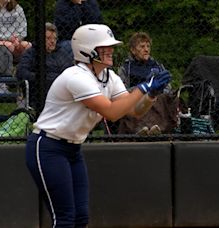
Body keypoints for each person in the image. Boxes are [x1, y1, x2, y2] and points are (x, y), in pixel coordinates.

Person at [25, 24, 171, 227]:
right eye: (104, 47)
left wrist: (151, 95)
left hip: (72, 148)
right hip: (48, 147)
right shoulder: (76, 76)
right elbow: (111, 113)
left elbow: (134, 110)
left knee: (81, 217)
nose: (111, 50)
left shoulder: (109, 77)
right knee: (65, 218)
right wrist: (143, 87)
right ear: (87, 50)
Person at [117, 32, 177, 135]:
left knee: (162, 96)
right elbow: (122, 90)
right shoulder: (126, 67)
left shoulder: (157, 66)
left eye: (148, 46)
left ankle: (156, 129)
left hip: (157, 97)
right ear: (133, 50)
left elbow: (168, 87)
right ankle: (140, 129)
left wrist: (155, 90)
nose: (146, 49)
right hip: (136, 97)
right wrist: (143, 89)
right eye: (142, 46)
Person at [16, 22, 73, 112]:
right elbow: (21, 72)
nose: (52, 41)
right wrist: (40, 77)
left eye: (55, 38)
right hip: (41, 91)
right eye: (48, 38)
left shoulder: (62, 53)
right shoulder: (31, 53)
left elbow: (71, 70)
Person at [0, 0, 32, 93]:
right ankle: (2, 83)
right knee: (6, 46)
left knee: (27, 46)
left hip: (15, 42)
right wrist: (7, 39)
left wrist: (16, 40)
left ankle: (21, 78)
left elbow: (23, 31)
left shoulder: (17, 8)